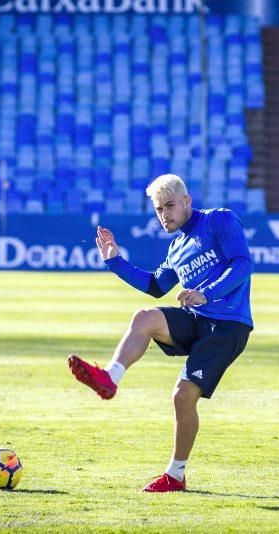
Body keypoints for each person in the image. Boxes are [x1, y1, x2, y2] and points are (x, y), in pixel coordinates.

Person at [67, 174, 254, 493]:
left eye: (170, 205)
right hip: (197, 318)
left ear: (187, 202)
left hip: (228, 324)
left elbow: (242, 264)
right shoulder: (177, 247)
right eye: (158, 209)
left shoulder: (218, 220)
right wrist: (115, 262)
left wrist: (206, 293)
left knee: (183, 397)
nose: (165, 214)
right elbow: (156, 286)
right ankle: (109, 379)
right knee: (144, 318)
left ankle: (176, 475)